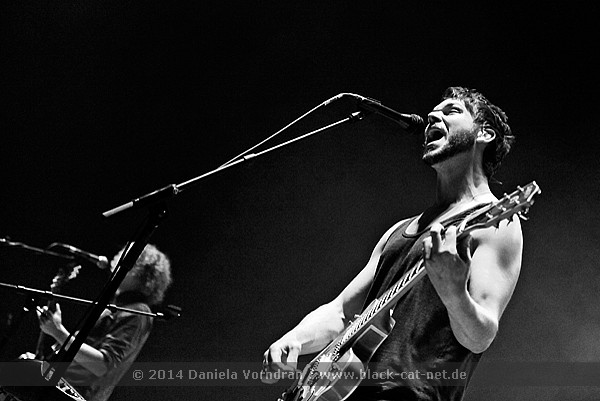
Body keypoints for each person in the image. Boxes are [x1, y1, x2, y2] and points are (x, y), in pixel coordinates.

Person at [262, 87, 522, 401]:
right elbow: (342, 311)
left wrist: (454, 291)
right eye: (433, 112)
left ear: (485, 134)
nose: (432, 116)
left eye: (451, 111)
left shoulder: (496, 222)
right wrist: (295, 340)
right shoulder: (398, 231)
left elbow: (480, 337)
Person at [34, 243, 173, 401]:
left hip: (74, 394)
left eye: (130, 262)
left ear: (144, 274)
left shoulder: (138, 312)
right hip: (59, 387)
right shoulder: (115, 307)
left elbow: (103, 365)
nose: (118, 263)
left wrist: (59, 332)